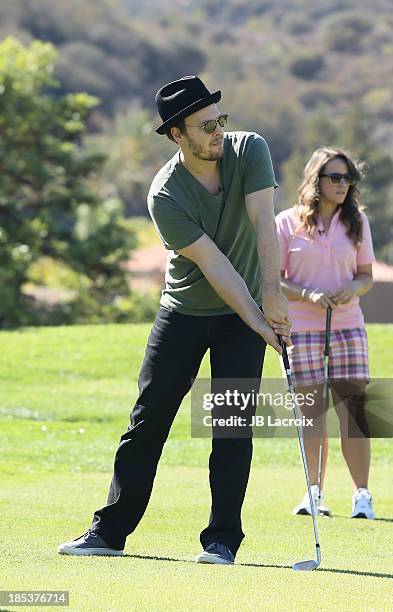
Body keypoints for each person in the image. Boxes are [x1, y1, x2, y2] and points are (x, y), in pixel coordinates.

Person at [58, 75, 291, 564]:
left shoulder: (250, 150)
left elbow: (263, 225)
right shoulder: (165, 195)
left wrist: (272, 296)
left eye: (219, 120)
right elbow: (215, 266)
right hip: (183, 313)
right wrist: (259, 321)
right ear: (176, 135)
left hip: (241, 311)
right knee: (147, 424)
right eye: (204, 126)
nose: (217, 132)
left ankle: (222, 540)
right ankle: (109, 533)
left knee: (231, 426)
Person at [276, 146, 376, 519]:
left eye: (348, 178)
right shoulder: (286, 222)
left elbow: (366, 275)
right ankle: (314, 492)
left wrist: (353, 287)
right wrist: (307, 293)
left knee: (352, 412)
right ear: (315, 180)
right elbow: (274, 278)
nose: (343, 184)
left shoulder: (358, 222)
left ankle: (362, 495)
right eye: (335, 177)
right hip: (301, 327)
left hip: (348, 325)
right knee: (311, 414)